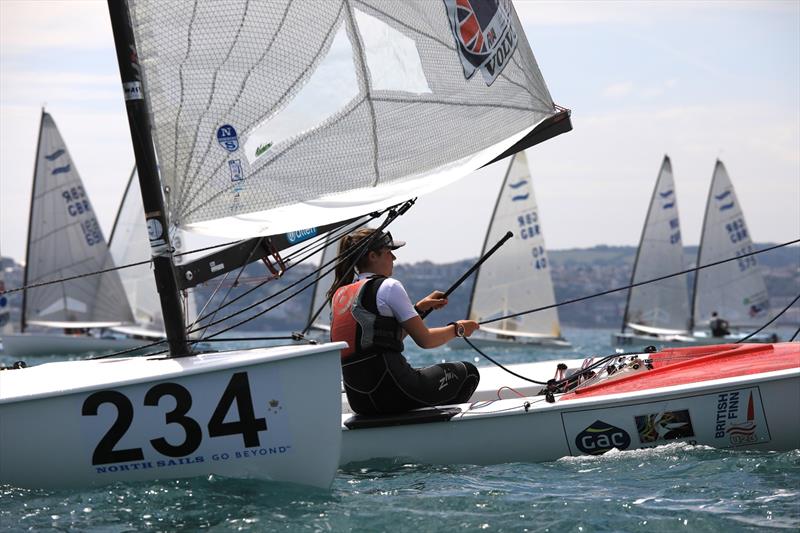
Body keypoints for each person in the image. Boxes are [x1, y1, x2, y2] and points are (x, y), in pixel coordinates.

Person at [329, 228, 481, 416]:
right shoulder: (389, 286)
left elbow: (385, 338)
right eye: (388, 252)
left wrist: (419, 309)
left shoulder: (340, 295)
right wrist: (458, 329)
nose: (394, 258)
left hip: (360, 401)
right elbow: (426, 340)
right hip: (395, 392)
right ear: (373, 256)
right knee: (468, 372)